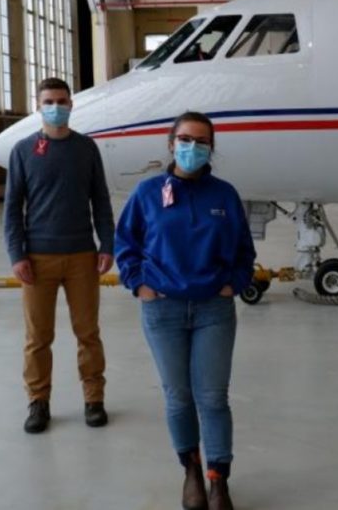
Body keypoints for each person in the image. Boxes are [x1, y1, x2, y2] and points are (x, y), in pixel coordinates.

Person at [114, 112, 256, 510]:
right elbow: (126, 243)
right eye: (186, 139)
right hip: (163, 311)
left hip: (214, 308)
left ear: (212, 147)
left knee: (212, 397)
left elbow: (244, 249)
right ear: (171, 143)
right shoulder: (147, 193)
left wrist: (236, 281)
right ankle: (191, 470)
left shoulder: (224, 195)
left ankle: (218, 480)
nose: (193, 147)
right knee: (178, 397)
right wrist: (137, 282)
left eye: (202, 141)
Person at [3, 77, 115, 434]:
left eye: (62, 100)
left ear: (71, 104)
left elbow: (100, 200)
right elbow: (11, 208)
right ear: (38, 106)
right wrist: (16, 253)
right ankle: (38, 402)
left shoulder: (86, 149)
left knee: (88, 332)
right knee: (38, 337)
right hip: (37, 259)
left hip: (82, 256)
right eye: (49, 100)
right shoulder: (22, 151)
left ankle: (94, 398)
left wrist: (107, 244)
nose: (56, 106)